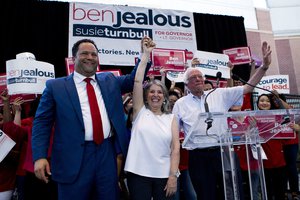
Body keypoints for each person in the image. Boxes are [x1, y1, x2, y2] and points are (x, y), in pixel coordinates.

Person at [32, 38, 150, 200]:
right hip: (72, 158)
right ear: (74, 58)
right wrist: (39, 156)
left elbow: (133, 80)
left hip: (106, 154)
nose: (90, 57)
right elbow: (42, 123)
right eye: (85, 53)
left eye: (94, 54)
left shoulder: (109, 80)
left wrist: (145, 56)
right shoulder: (55, 87)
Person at [172, 41, 272, 200]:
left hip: (222, 152)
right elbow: (175, 132)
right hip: (198, 157)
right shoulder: (180, 104)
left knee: (231, 192)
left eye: (200, 76)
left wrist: (264, 67)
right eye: (193, 77)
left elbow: (248, 88)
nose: (198, 79)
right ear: (186, 84)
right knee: (206, 194)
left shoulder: (219, 94)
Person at [124, 36, 180, 200]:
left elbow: (175, 149)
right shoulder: (140, 111)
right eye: (152, 92)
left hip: (164, 176)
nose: (156, 95)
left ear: (164, 96)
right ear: (146, 95)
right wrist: (146, 55)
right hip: (138, 173)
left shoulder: (171, 118)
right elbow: (137, 80)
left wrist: (173, 176)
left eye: (160, 92)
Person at [257, 94, 287, 200]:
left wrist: (294, 128)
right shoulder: (253, 117)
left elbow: (287, 136)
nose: (264, 103)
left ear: (271, 104)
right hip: (262, 161)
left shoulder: (279, 117)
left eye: (267, 101)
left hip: (278, 159)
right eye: (262, 101)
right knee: (267, 190)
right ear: (257, 104)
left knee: (280, 190)